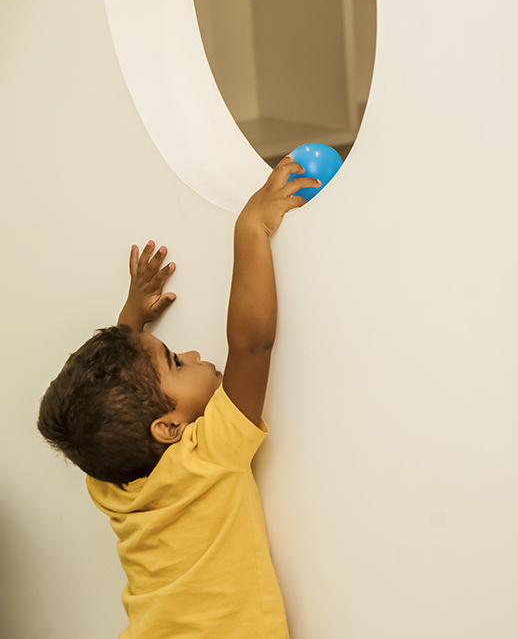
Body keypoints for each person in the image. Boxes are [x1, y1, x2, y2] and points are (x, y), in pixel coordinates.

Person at [37, 156, 319, 639]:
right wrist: (250, 227)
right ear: (169, 428)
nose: (191, 352)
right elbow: (252, 345)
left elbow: (107, 400)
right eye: (177, 363)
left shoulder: (110, 482)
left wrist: (131, 320)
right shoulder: (208, 457)